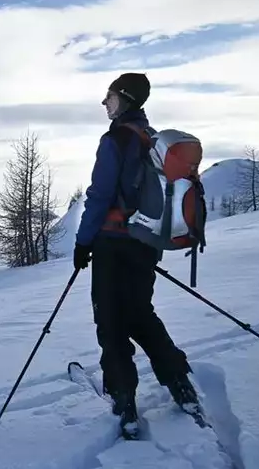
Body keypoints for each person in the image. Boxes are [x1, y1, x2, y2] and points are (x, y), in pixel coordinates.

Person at [73, 72, 201, 435]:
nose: (105, 102)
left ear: (125, 99)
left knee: (111, 321)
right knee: (141, 314)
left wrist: (83, 243)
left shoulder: (115, 139)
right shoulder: (150, 138)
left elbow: (100, 195)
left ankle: (124, 401)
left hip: (113, 243)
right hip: (145, 242)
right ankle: (180, 383)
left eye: (110, 96)